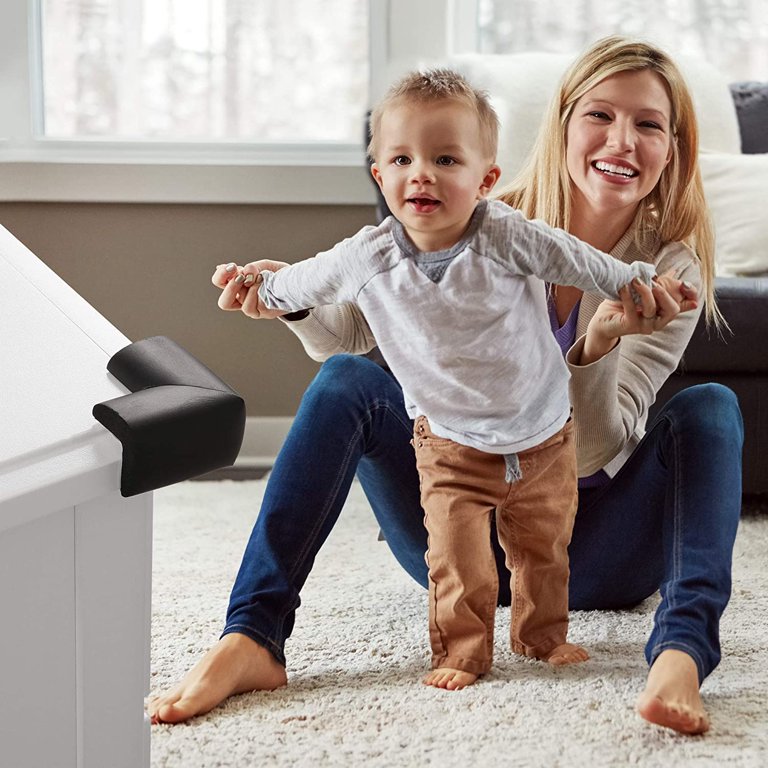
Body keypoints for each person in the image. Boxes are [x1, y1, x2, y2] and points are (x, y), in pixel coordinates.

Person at [147, 36, 743, 735]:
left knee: (710, 408)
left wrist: (598, 346)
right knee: (345, 379)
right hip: (457, 518)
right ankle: (251, 635)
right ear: (563, 122)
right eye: (600, 115)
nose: (622, 140)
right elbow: (353, 337)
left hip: (593, 545)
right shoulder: (475, 207)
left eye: (648, 124)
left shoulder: (667, 272)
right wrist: (295, 300)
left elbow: (592, 451)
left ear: (672, 148)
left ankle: (682, 650)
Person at [251, 67, 684, 688]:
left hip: (545, 441)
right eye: (401, 159)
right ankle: (460, 651)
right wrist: (264, 288)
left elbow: (580, 261)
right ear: (381, 176)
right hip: (451, 443)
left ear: (485, 180)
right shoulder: (368, 255)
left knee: (542, 552)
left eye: (444, 159)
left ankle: (541, 637)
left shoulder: (508, 234)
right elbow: (309, 293)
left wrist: (630, 287)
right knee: (457, 559)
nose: (421, 173)